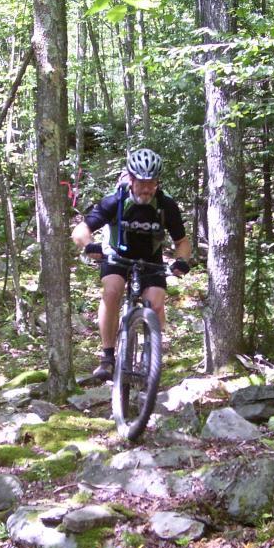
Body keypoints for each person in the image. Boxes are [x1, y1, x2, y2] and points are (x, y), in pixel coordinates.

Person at [71, 148, 192, 381]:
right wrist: (89, 246)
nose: (147, 189)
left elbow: (182, 241)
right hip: (116, 256)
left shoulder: (165, 205)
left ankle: (153, 353)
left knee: (156, 303)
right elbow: (81, 230)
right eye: (142, 183)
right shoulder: (116, 201)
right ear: (132, 179)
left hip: (151, 260)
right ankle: (107, 357)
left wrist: (182, 261)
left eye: (152, 183)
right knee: (112, 290)